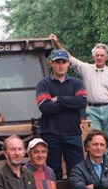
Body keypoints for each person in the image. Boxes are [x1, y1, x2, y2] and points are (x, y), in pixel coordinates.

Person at [50, 35, 108, 149]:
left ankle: (105, 165)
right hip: (92, 109)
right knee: (95, 139)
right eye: (97, 55)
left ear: (107, 57)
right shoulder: (86, 68)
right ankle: (95, 165)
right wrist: (57, 44)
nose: (99, 58)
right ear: (93, 56)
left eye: (102, 55)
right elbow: (69, 57)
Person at [35, 49, 88, 179]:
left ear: (68, 63)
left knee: (77, 172)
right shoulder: (43, 84)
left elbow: (82, 102)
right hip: (51, 134)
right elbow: (45, 106)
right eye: (57, 62)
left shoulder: (76, 83)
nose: (61, 65)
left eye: (63, 62)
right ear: (51, 63)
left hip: (73, 133)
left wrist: (58, 99)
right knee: (53, 172)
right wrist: (70, 104)